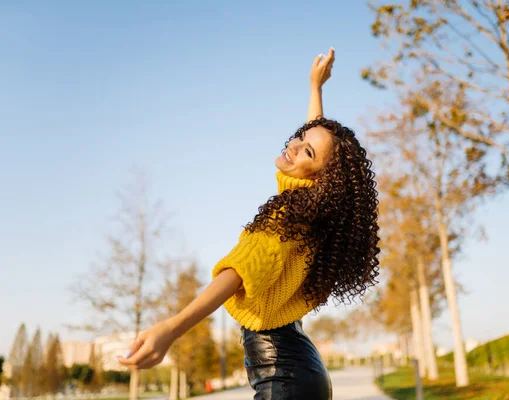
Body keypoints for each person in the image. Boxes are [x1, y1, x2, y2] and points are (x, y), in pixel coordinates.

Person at [118, 48, 380, 399]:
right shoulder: (315, 211)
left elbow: (237, 273)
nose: (294, 144)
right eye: (299, 137)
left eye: (306, 151)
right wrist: (315, 87)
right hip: (300, 372)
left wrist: (171, 328)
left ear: (321, 179)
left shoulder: (290, 218)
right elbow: (317, 143)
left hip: (285, 378)